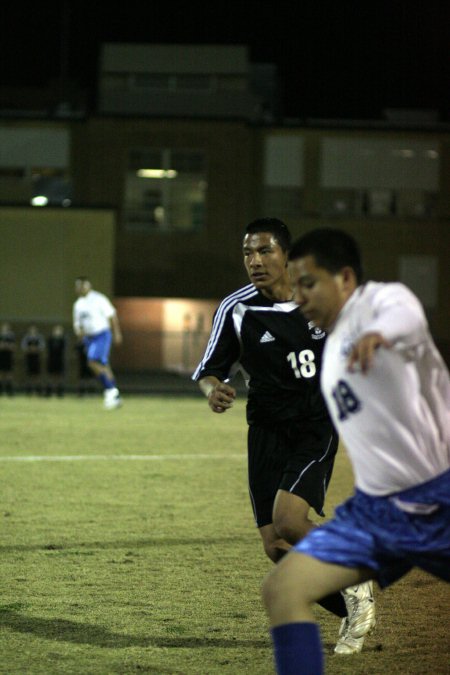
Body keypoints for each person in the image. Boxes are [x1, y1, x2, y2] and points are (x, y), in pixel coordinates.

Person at [263, 227, 450, 674]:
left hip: (439, 497)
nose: (298, 295)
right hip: (378, 512)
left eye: (308, 283)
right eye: (294, 284)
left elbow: (405, 318)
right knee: (283, 591)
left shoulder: (383, 302)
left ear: (345, 279)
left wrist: (380, 334)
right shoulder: (330, 348)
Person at [193, 218, 375, 654]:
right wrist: (213, 390)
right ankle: (353, 606)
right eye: (247, 253)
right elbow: (209, 368)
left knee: (290, 522)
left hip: (316, 423)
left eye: (264, 251)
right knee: (275, 545)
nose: (254, 261)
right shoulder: (237, 308)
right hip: (266, 428)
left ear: (287, 256)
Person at [73, 276, 123, 410]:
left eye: (81, 285)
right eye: (77, 286)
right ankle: (114, 396)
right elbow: (78, 324)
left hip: (102, 335)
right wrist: (80, 334)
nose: (78, 288)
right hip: (89, 338)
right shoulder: (78, 304)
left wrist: (117, 332)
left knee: (92, 362)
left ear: (87, 285)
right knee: (103, 365)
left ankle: (111, 390)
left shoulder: (98, 299)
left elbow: (111, 315)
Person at [21, 324, 45, 395]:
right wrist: (30, 349)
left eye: (34, 329)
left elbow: (42, 347)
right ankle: (28, 390)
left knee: (37, 375)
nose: (33, 331)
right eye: (31, 329)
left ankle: (37, 390)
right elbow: (23, 347)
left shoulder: (39, 338)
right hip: (29, 358)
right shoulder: (26, 338)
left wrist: (35, 349)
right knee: (29, 374)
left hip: (36, 358)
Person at [45, 324, 67, 397]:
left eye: (59, 330)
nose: (58, 332)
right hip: (51, 360)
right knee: (51, 375)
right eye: (56, 330)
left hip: (59, 360)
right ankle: (49, 391)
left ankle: (59, 391)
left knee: (59, 376)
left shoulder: (62, 340)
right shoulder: (50, 340)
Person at [0, 321, 16, 396]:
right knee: (1, 373)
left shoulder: (11, 336)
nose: (5, 329)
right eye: (4, 328)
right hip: (1, 357)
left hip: (9, 357)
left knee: (9, 373)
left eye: (6, 328)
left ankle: (9, 390)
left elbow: (13, 347)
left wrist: (6, 346)